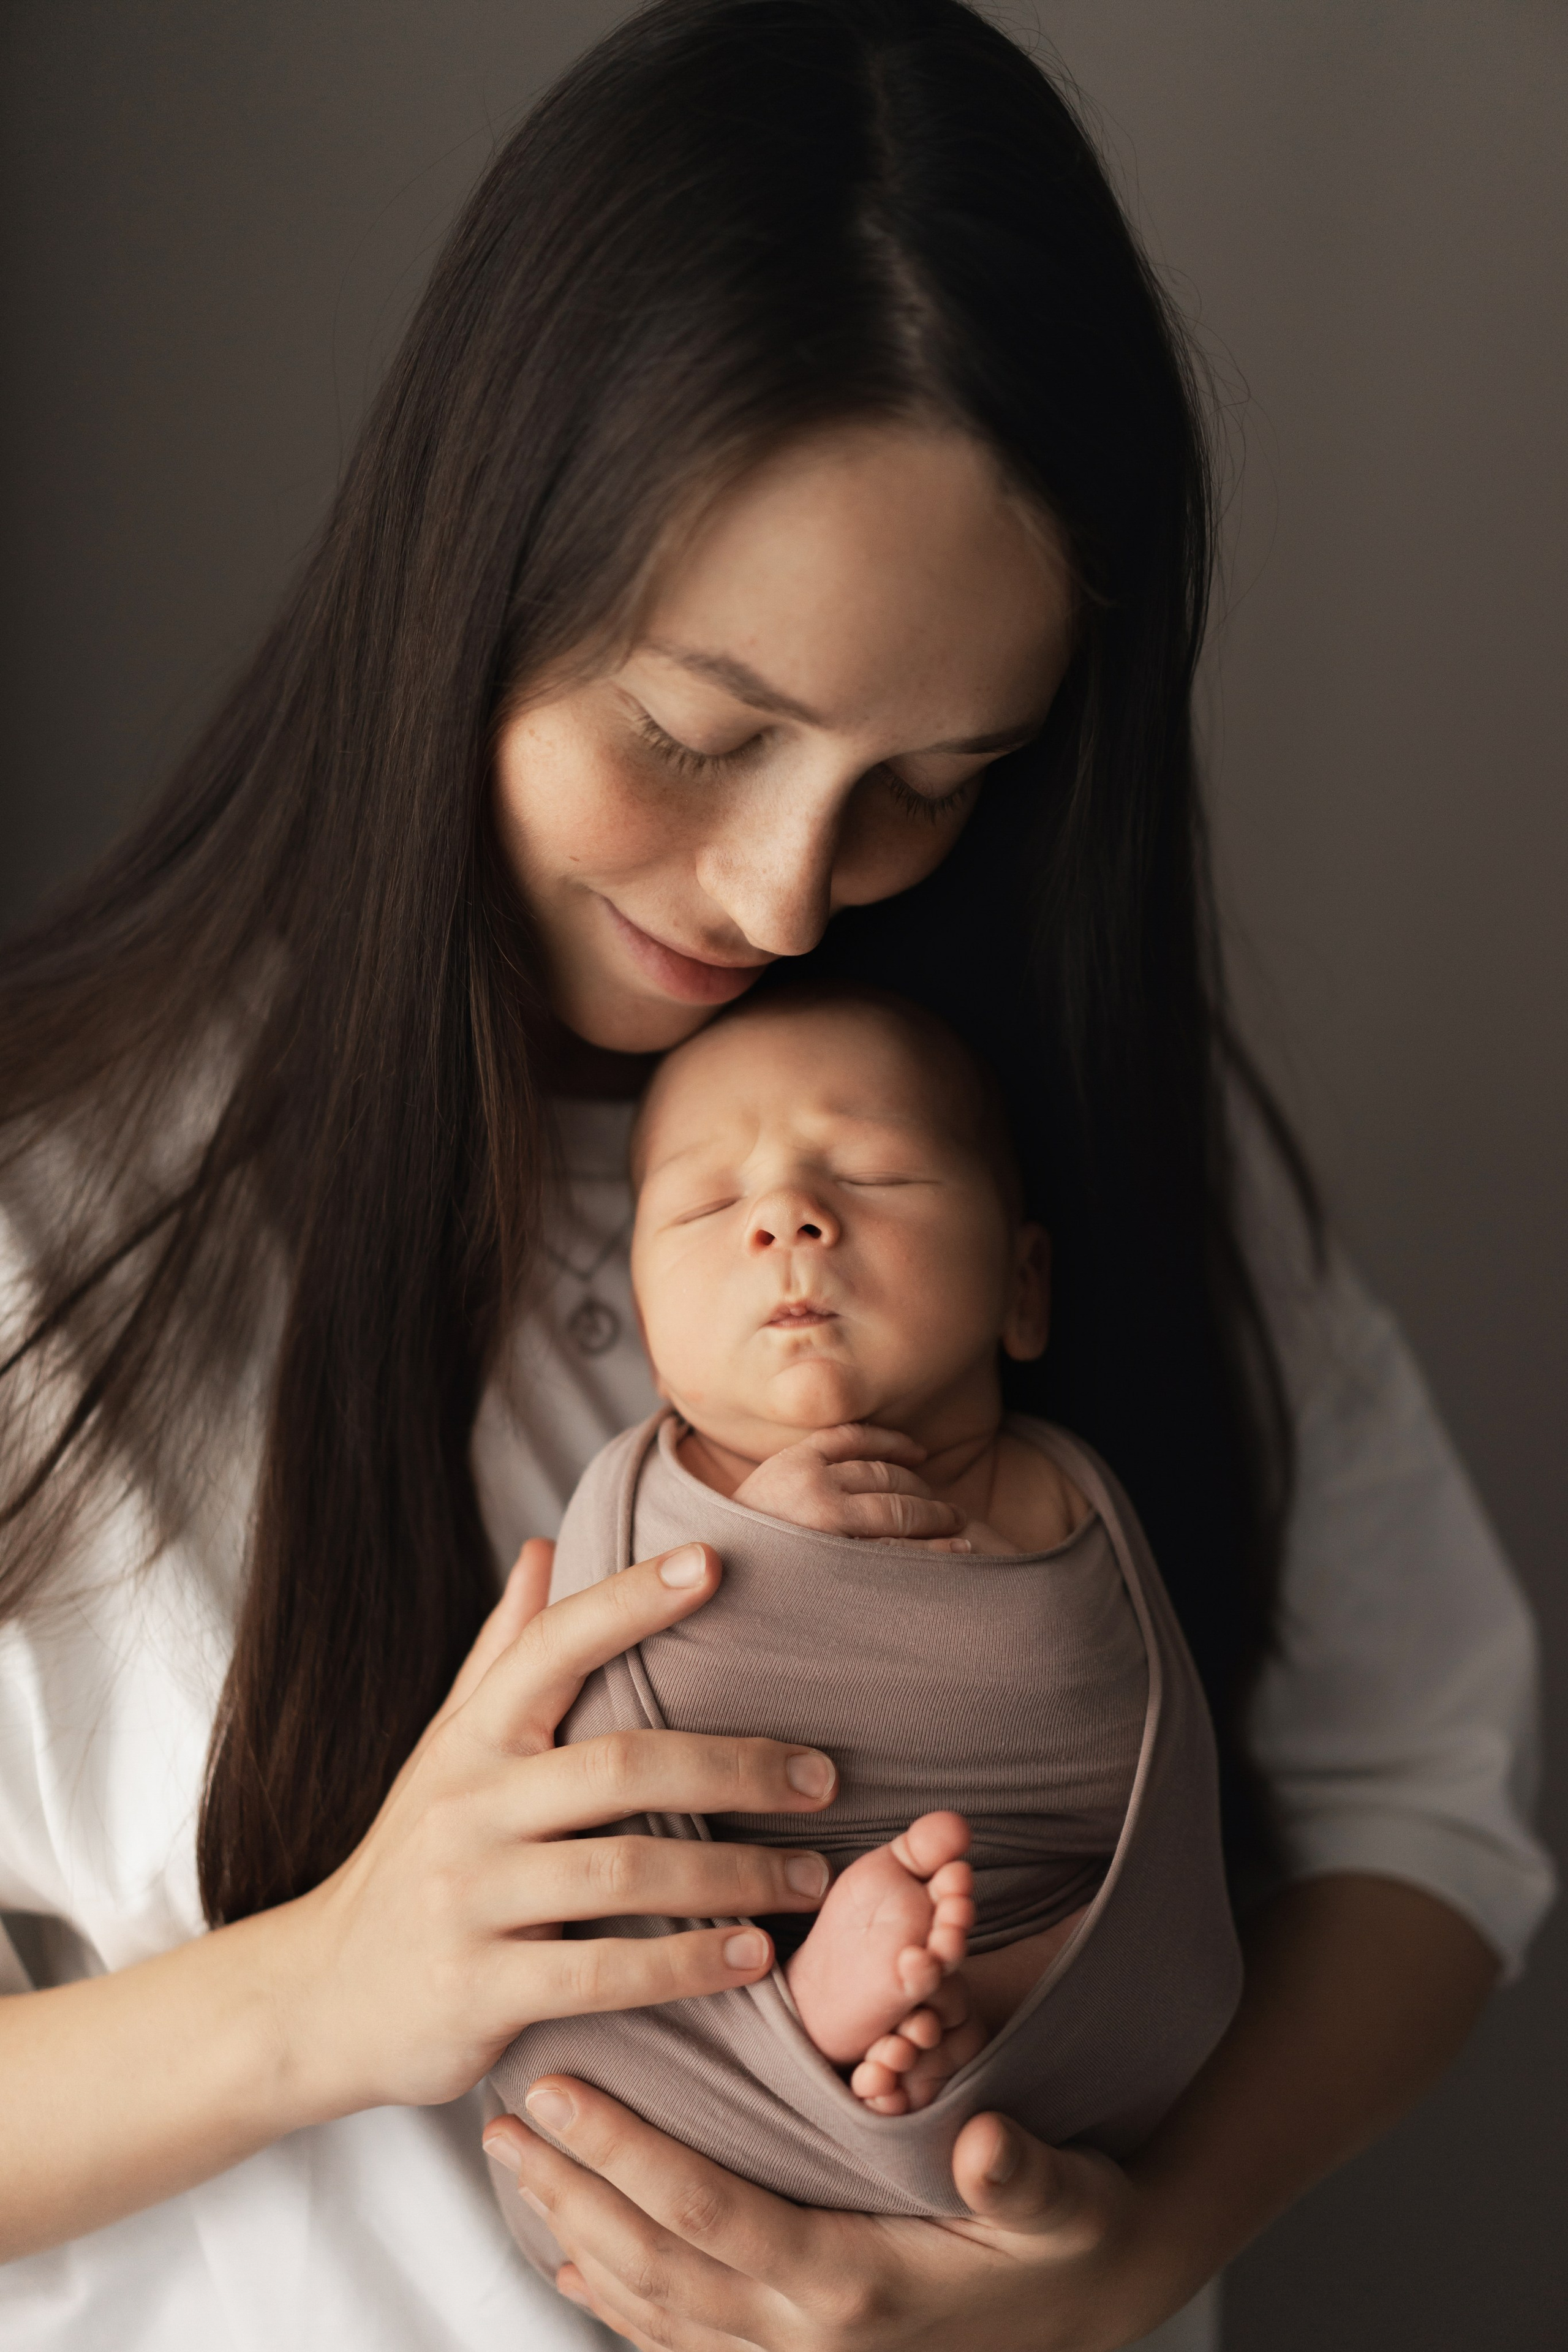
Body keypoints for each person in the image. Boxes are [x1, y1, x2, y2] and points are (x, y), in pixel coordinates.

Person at [0, 2, 1550, 2348]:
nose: (788, 892)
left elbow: (1426, 1808)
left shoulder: (1047, 1134)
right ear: (469, 579)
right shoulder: (63, 1219)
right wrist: (322, 1993)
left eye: (934, 780)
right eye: (698, 734)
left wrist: (1127, 2266)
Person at [488, 979, 1242, 2259]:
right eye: (708, 1203)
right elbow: (612, 1702)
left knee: (1127, 1947)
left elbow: (1130, 1753)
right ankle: (827, 2001)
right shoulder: (642, 1498)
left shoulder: (1073, 1497)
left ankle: (972, 2000)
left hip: (1046, 1953)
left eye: (875, 1175)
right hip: (698, 2014)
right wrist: (755, 1546)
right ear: (653, 1343)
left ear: (1023, 1286)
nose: (786, 1217)